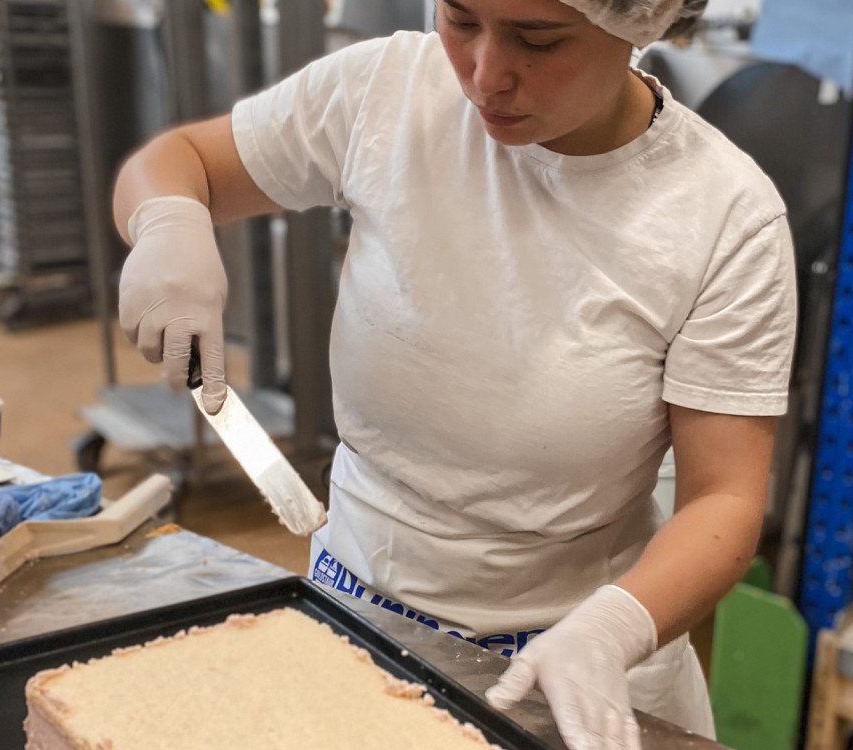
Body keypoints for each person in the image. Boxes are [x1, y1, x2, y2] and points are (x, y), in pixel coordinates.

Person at [114, 0, 797, 747]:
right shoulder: (386, 92)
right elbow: (179, 160)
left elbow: (724, 498)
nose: (484, 75)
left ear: (636, 20)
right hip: (353, 629)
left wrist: (613, 629)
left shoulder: (723, 216)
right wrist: (166, 223)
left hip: (575, 675)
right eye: (461, 19)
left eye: (537, 39)